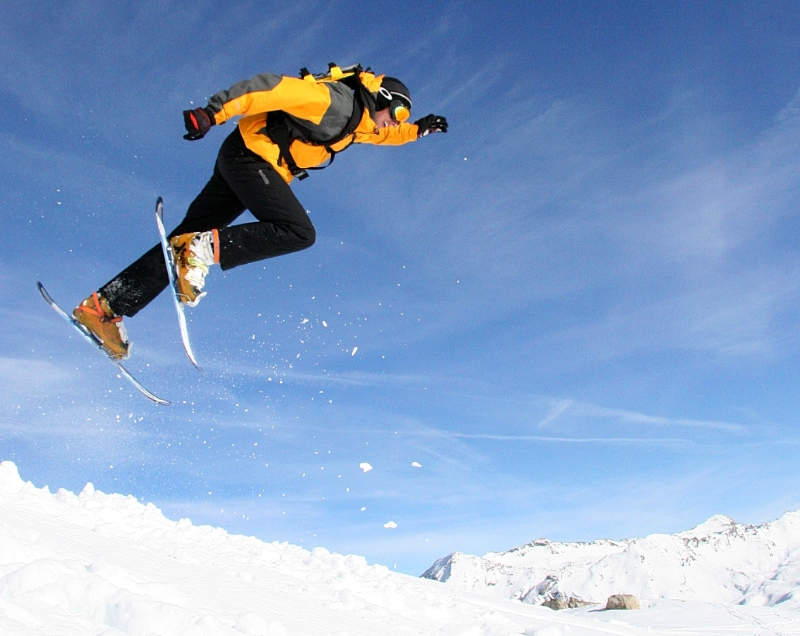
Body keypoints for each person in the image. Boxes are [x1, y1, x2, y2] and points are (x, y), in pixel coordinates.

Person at [72, 65, 448, 360]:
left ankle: (102, 307)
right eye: (397, 111)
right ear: (379, 97)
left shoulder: (358, 124)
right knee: (298, 231)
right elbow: (269, 88)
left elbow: (383, 134)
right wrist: (213, 112)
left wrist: (416, 131)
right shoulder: (333, 101)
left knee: (181, 242)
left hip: (245, 161)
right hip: (251, 159)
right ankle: (200, 251)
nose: (395, 121)